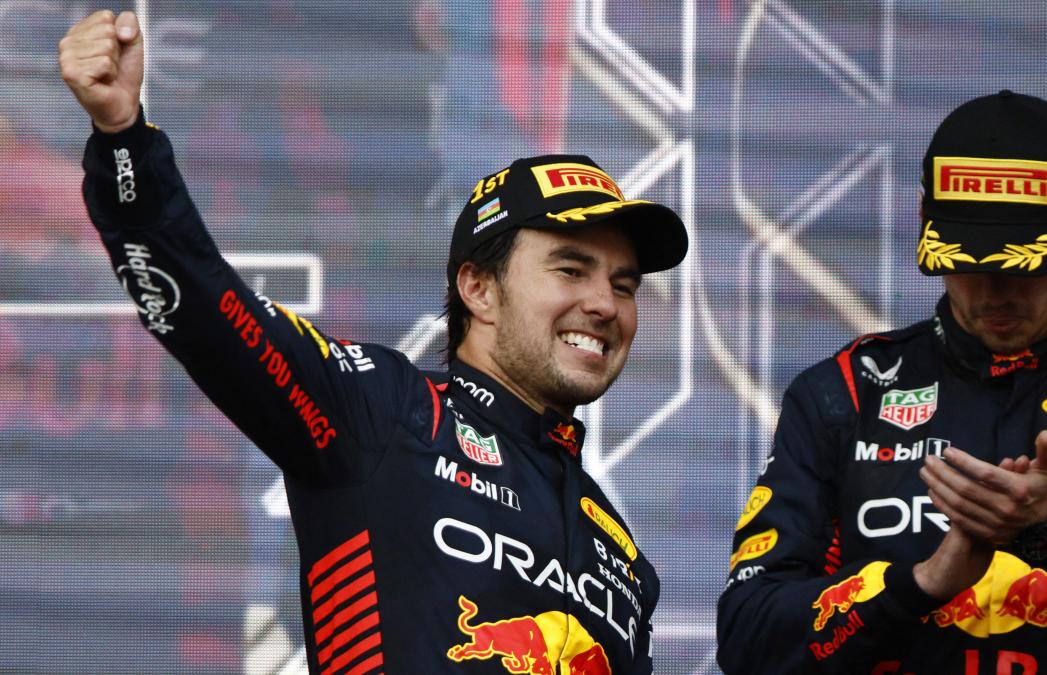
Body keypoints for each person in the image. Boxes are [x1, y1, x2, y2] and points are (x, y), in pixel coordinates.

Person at [60, 9, 688, 673]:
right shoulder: (383, 411)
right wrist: (122, 137)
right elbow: (207, 309)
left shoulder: (620, 555)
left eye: (624, 284)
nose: (604, 303)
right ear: (478, 288)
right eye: (571, 268)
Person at [717, 89, 1047, 673]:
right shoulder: (845, 393)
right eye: (967, 259)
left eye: (1024, 263)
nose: (995, 290)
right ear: (925, 220)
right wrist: (920, 584)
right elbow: (748, 641)